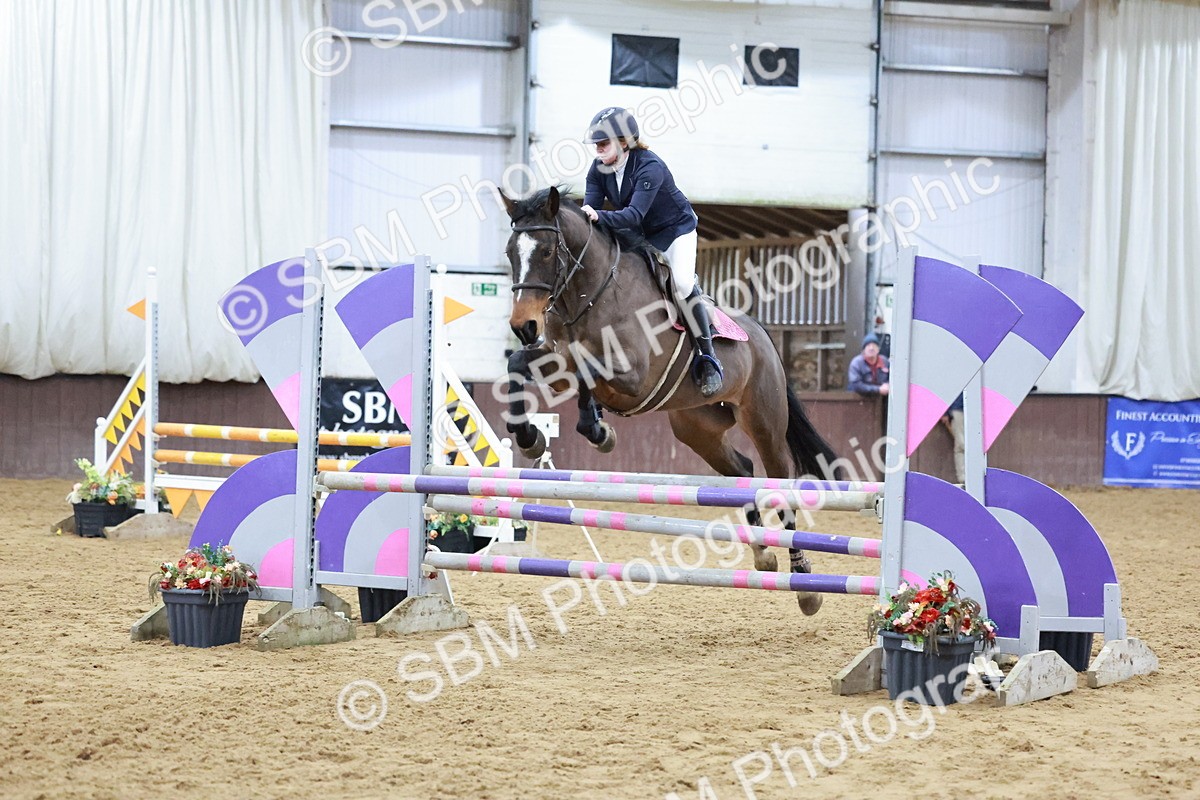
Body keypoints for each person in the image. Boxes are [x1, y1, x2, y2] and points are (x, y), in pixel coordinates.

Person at [579, 107, 722, 397]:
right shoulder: (598, 170)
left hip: (674, 232)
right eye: (596, 144)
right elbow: (589, 214)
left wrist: (596, 217)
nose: (598, 150)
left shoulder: (649, 167)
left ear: (624, 142)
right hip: (640, 235)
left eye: (603, 143)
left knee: (681, 283)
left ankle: (708, 358)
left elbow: (632, 215)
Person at [942, 393, 966, 484]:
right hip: (959, 409)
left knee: (961, 444)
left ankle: (965, 475)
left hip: (961, 408)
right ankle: (962, 477)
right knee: (960, 445)